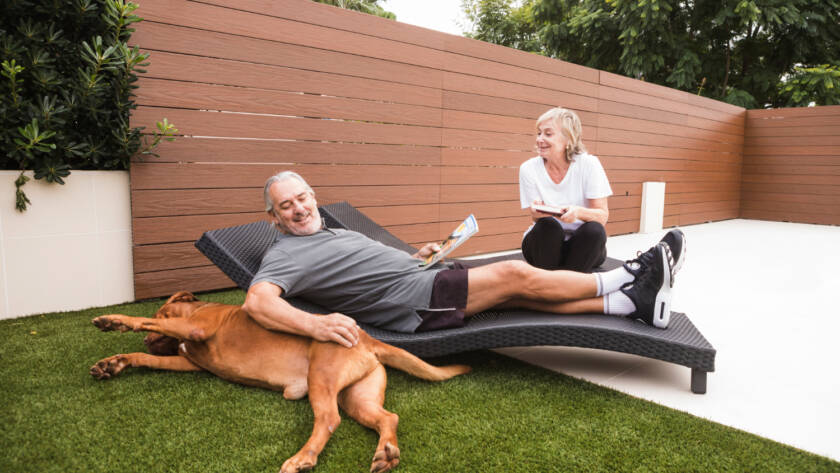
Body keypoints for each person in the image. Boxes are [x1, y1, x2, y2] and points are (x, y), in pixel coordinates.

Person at [243, 171, 685, 349]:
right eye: (287, 206)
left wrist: (418, 254)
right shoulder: (286, 253)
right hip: (413, 303)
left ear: (313, 196)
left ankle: (632, 304)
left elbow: (366, 268)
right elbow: (258, 301)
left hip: (421, 276)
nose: (299, 209)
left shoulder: (333, 228)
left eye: (302, 198)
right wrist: (316, 325)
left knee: (521, 297)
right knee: (515, 274)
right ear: (274, 217)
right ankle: (629, 276)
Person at [519, 107, 611, 273]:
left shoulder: (589, 164)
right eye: (539, 133)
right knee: (548, 225)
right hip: (546, 245)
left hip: (582, 245)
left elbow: (602, 216)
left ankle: (567, 284)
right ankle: (552, 284)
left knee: (595, 230)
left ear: (568, 139)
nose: (540, 139)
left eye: (548, 134)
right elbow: (534, 217)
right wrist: (536, 212)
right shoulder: (528, 168)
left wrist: (578, 213)